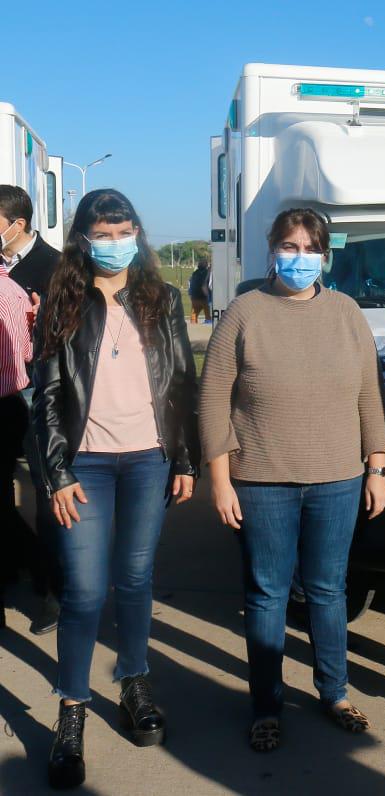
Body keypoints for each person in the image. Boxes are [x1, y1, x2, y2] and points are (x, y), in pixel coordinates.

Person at [200, 207, 385, 753]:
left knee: (329, 591)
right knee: (267, 595)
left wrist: (377, 466)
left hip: (338, 480)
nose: (299, 257)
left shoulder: (347, 313)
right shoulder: (244, 312)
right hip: (261, 480)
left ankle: (335, 692)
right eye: (289, 246)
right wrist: (220, 479)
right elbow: (212, 399)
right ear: (272, 249)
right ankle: (267, 705)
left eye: (310, 248)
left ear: (325, 256)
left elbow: (368, 395)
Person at [32, 189, 200, 789]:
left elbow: (180, 382)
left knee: (133, 580)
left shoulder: (162, 298)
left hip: (149, 460)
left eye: (122, 231)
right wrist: (56, 473)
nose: (113, 244)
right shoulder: (64, 298)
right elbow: (48, 395)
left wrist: (185, 459)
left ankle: (133, 681)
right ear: (82, 239)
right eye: (101, 234)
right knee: (83, 591)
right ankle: (72, 708)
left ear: (137, 233)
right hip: (86, 466)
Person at [1, 184, 62, 634]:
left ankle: (53, 591)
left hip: (40, 394)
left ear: (17, 224)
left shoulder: (55, 267)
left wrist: (42, 325)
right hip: (5, 396)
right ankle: (13, 568)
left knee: (46, 492)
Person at [0, 259, 33, 630]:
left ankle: (36, 565)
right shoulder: (15, 291)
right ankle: (16, 565)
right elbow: (26, 352)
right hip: (12, 404)